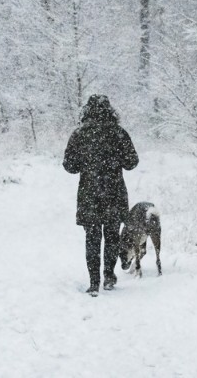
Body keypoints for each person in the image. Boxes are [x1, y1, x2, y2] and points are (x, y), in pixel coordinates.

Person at [63, 94, 139, 296]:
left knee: (92, 238)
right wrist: (114, 160)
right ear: (110, 110)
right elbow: (132, 163)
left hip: (90, 193)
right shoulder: (119, 133)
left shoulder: (79, 134)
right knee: (112, 236)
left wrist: (86, 163)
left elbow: (69, 166)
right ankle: (109, 276)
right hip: (114, 192)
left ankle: (94, 282)